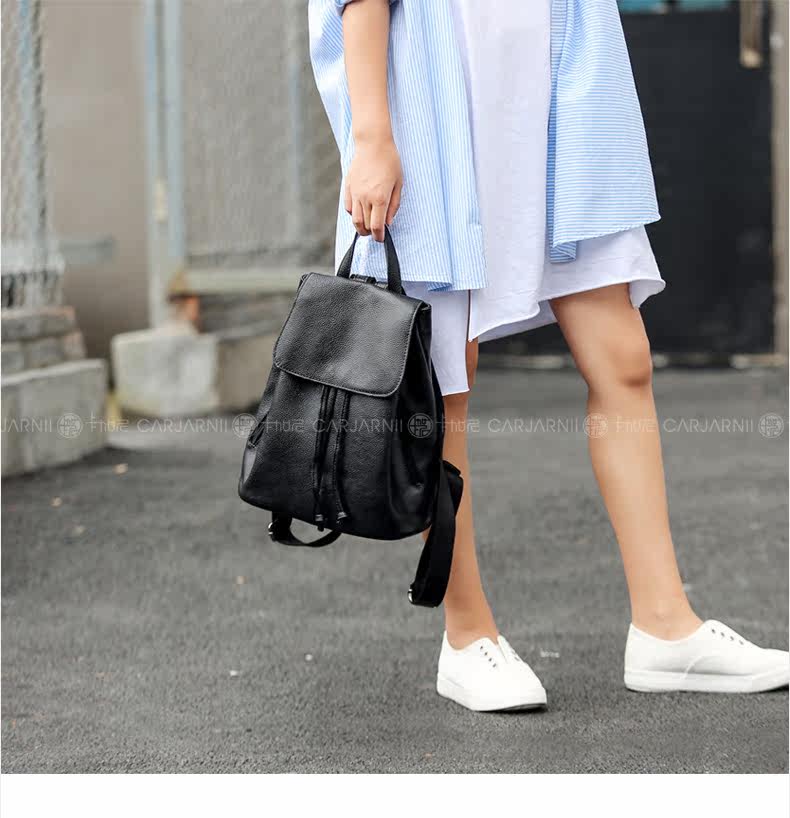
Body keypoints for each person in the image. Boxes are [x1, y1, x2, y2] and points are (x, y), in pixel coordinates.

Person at [308, 0, 789, 711]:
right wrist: (372, 134)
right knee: (445, 378)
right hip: (441, 99)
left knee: (623, 356)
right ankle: (467, 635)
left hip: (559, 89)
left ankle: (665, 627)